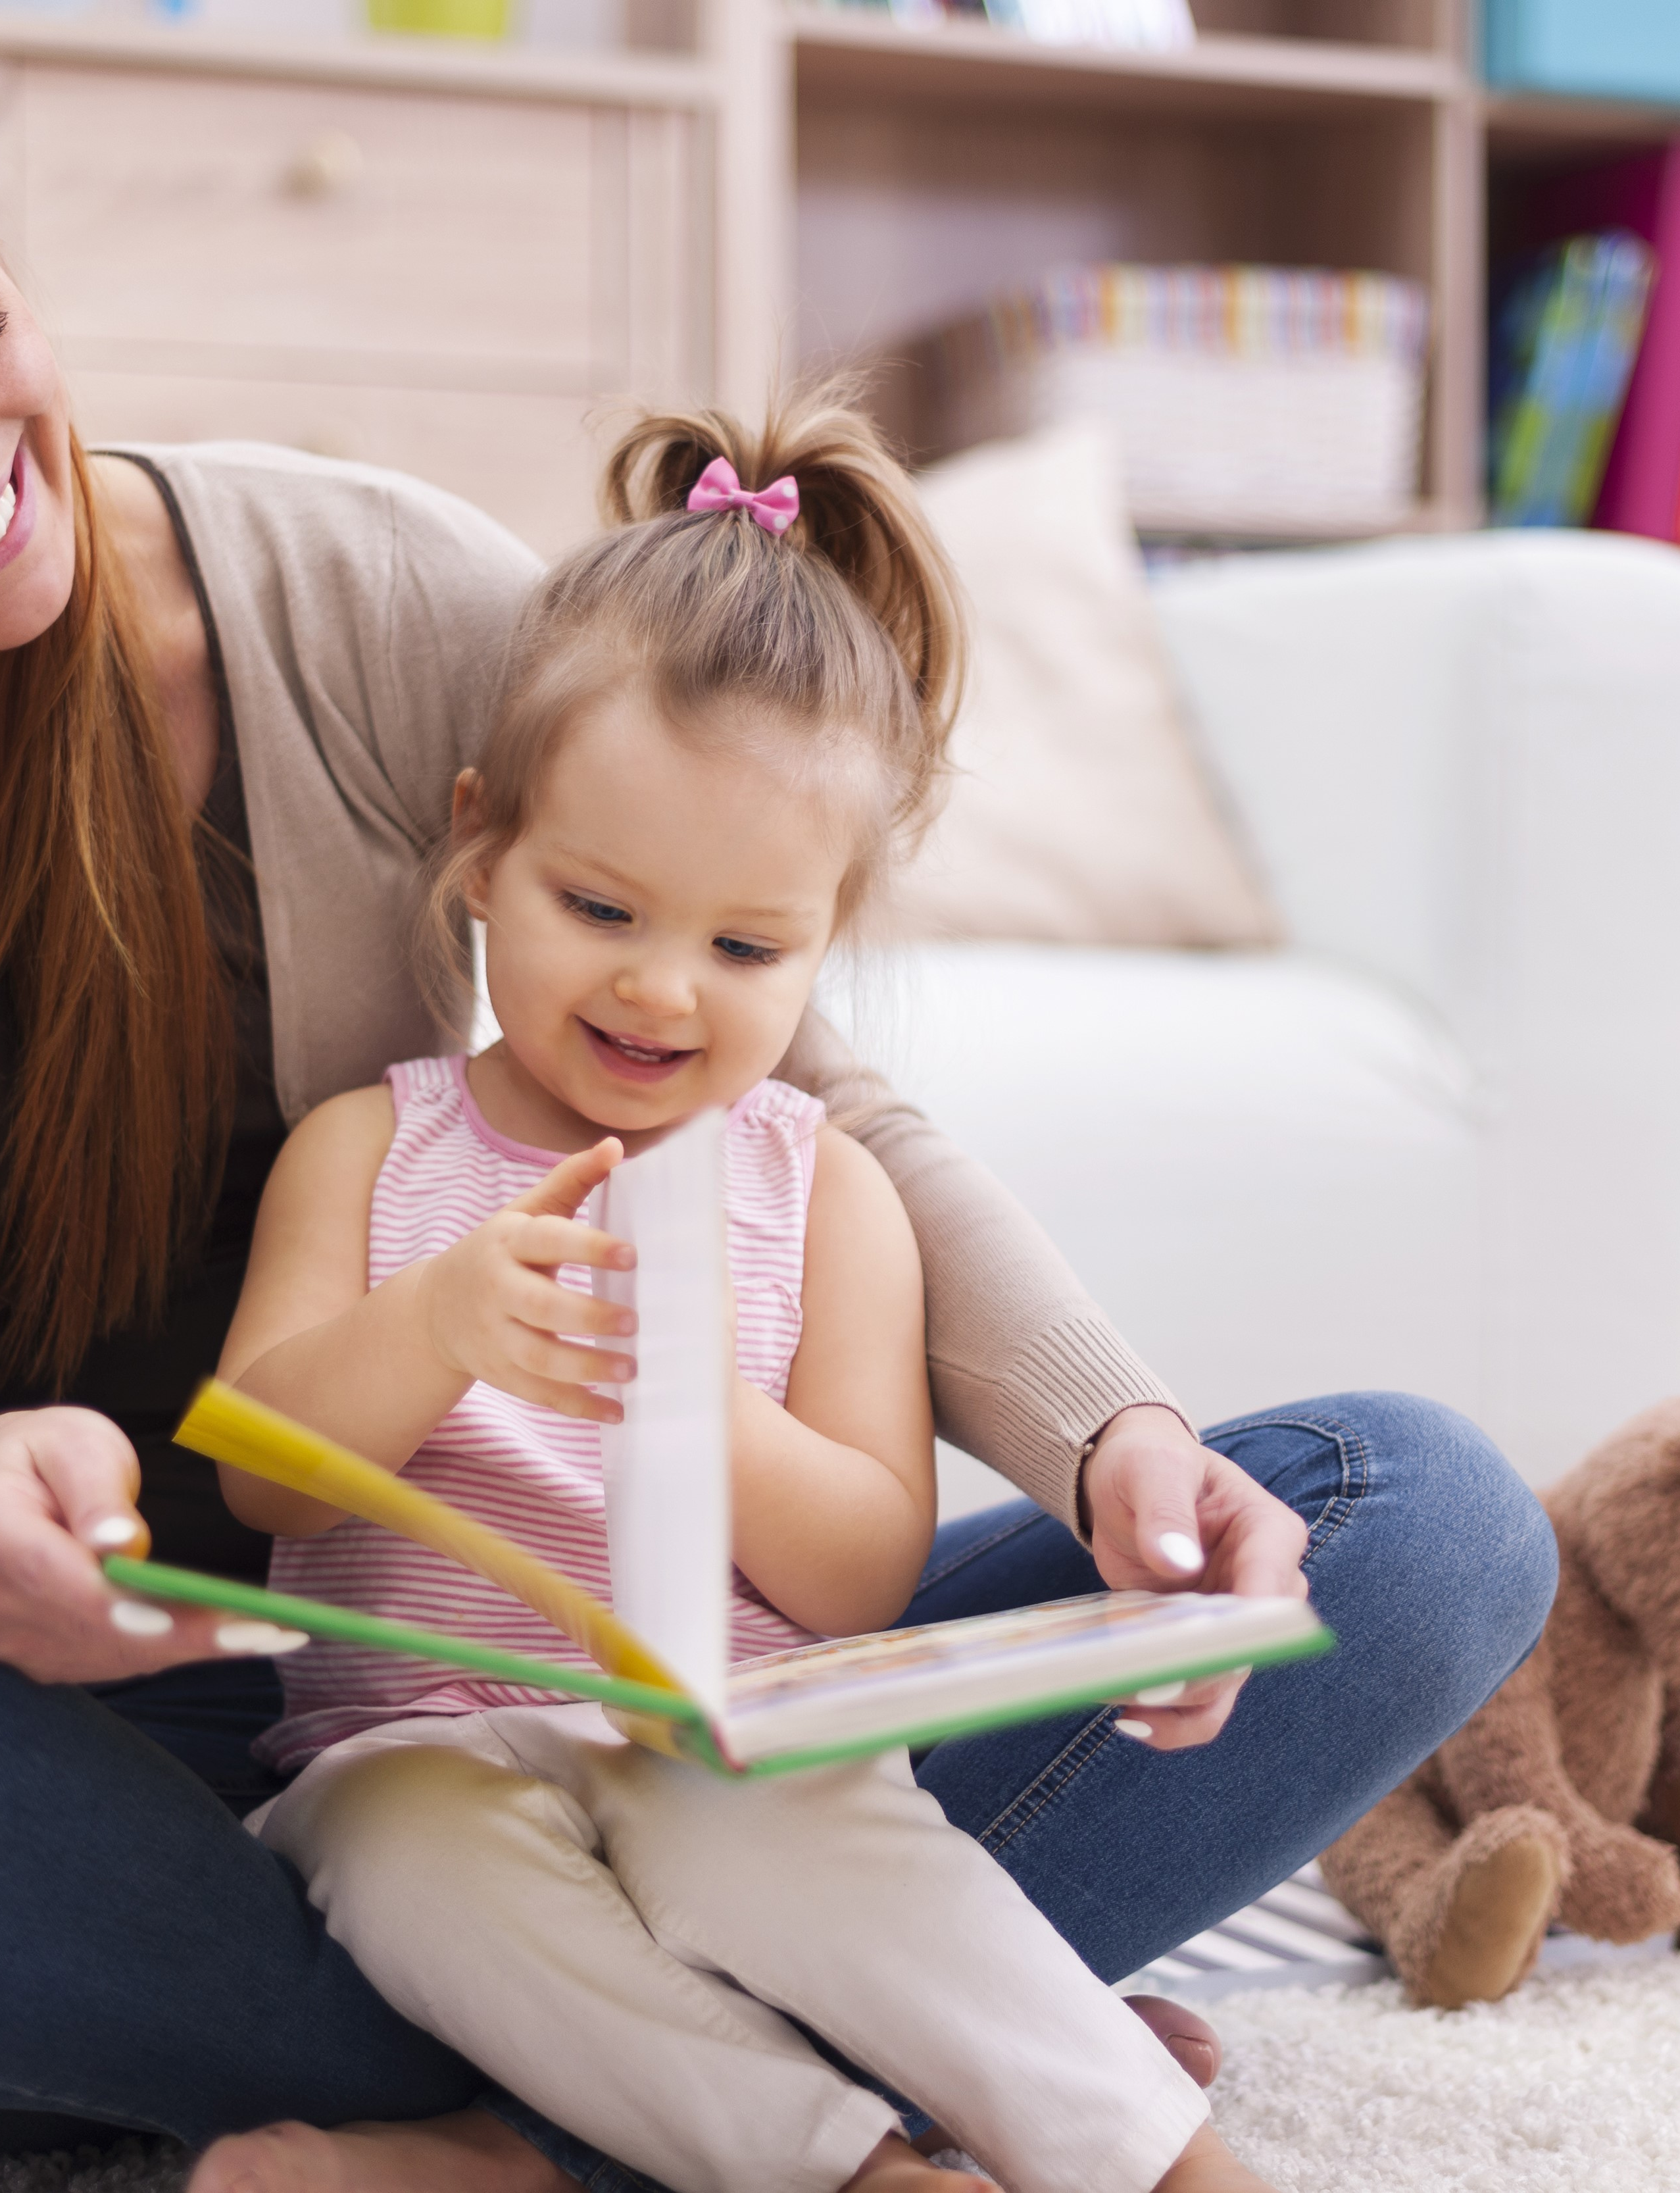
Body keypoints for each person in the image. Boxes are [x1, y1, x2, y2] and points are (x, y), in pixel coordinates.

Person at [0, 4, 1556, 2188]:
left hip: (653, 1703)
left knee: (1415, 1519)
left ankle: (528, 2129)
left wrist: (1122, 1448)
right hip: (136, 1769)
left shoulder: (370, 597)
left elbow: (816, 1109)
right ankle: (834, 2058)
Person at [216, 395, 1274, 2193]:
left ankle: (1155, 2155)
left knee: (839, 1865)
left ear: (826, 943)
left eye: (745, 946)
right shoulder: (366, 1147)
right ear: (479, 848)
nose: (662, 992)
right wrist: (439, 1327)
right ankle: (851, 2168)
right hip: (415, 1745)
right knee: (415, 1877)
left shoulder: (829, 1191)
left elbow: (863, 1569)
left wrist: (710, 1413)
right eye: (597, 905)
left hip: (735, 1742)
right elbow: (255, 1469)